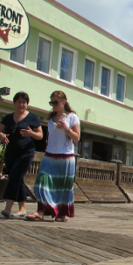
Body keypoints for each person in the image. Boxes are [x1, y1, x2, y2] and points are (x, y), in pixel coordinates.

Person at [27, 91, 81, 222]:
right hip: (50, 154)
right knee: (41, 182)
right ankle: (41, 211)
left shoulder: (72, 117)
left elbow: (77, 138)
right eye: (51, 102)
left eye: (56, 102)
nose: (53, 105)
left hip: (65, 156)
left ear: (64, 102)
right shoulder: (51, 118)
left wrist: (66, 128)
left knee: (62, 186)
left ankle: (61, 214)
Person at [0, 92, 43, 219]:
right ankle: (22, 209)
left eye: (24, 102)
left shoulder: (33, 117)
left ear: (27, 104)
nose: (21, 104)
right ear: (14, 103)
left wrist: (31, 133)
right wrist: (1, 135)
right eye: (19, 101)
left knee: (14, 177)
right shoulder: (8, 117)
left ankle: (8, 208)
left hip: (26, 152)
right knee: (17, 178)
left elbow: (40, 135)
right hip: (11, 152)